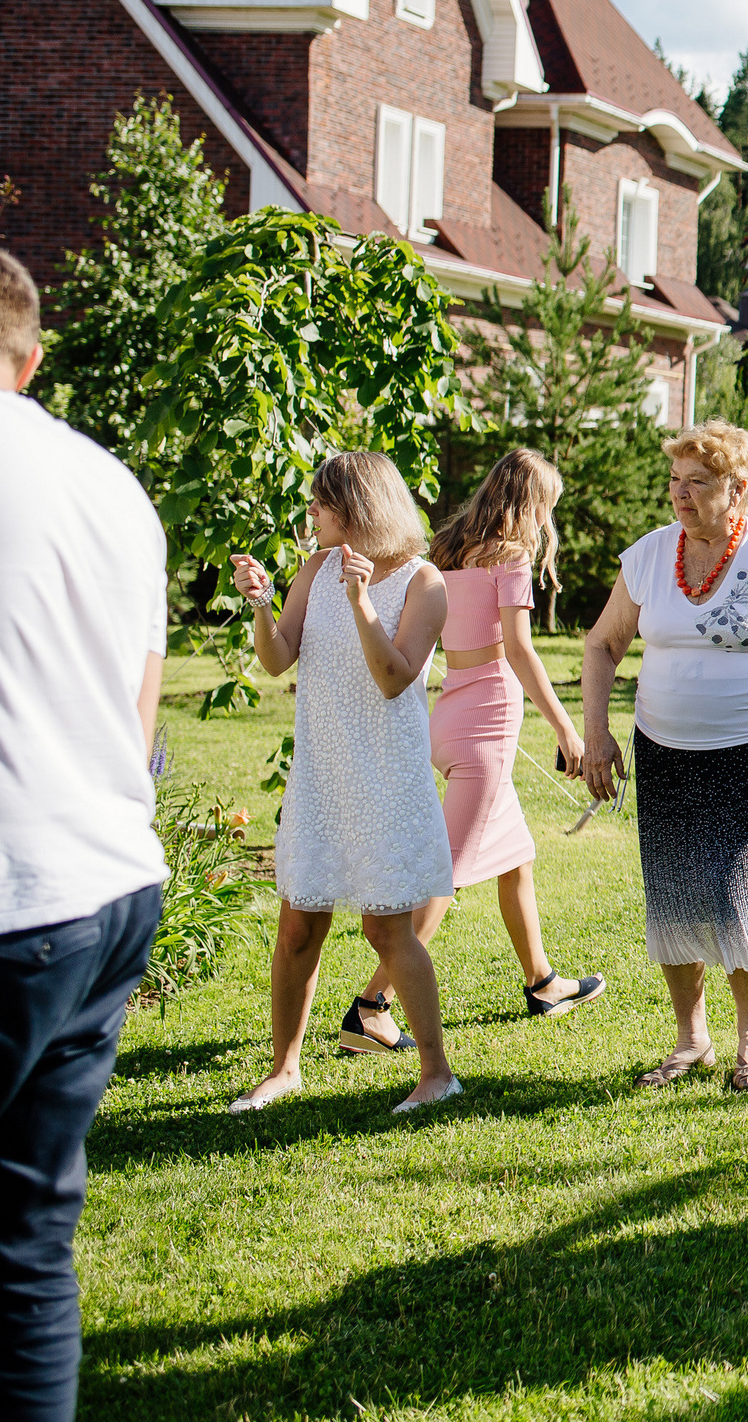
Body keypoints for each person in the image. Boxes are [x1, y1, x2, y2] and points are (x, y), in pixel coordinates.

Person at [0, 247, 168, 1421]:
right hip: (103, 883)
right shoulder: (109, 483)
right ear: (32, 356)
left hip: (4, 894)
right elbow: (139, 720)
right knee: (26, 1243)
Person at [578, 420, 748, 1093]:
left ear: (739, 488)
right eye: (674, 481)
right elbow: (601, 645)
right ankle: (690, 1037)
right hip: (665, 750)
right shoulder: (648, 556)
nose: (680, 494)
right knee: (674, 893)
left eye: (697, 483)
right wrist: (597, 730)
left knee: (741, 894)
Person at [225, 452, 462, 1114]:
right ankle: (284, 1068)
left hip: (384, 774)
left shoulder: (423, 583)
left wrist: (361, 603)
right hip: (324, 771)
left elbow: (393, 680)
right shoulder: (315, 568)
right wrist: (261, 605)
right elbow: (277, 659)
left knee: (387, 930)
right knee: (299, 924)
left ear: (356, 507)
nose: (312, 516)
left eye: (320, 505)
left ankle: (437, 1072)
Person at [341, 450, 604, 1048]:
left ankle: (542, 982)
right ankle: (371, 1005)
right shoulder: (510, 556)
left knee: (516, 858)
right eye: (547, 509)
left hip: (451, 715)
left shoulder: (447, 548)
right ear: (531, 504)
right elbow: (518, 648)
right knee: (447, 876)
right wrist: (566, 728)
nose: (547, 523)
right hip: (484, 730)